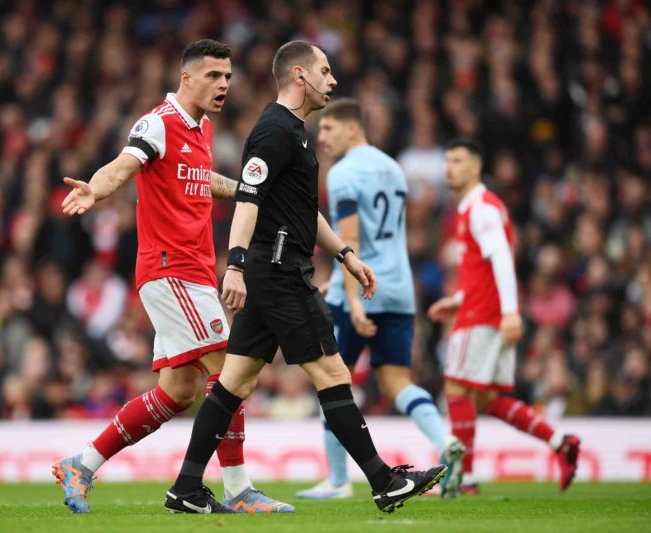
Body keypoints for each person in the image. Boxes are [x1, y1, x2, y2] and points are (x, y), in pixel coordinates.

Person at [163, 40, 446, 516]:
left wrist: (347, 256)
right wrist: (233, 263)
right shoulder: (274, 132)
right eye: (326, 70)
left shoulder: (293, 134)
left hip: (272, 267)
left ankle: (186, 487)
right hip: (277, 269)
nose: (333, 81)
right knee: (333, 372)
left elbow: (301, 211)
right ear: (299, 76)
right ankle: (383, 481)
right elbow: (249, 200)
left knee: (234, 381)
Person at [53, 39, 292, 514]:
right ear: (187, 78)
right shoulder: (158, 123)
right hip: (171, 269)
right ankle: (239, 490)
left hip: (194, 271)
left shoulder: (201, 130)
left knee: (179, 391)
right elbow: (123, 166)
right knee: (232, 368)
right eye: (213, 76)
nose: (224, 84)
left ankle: (82, 462)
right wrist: (94, 191)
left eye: (227, 76)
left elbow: (205, 184)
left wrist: (250, 191)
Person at [295, 98, 465, 501]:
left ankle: (337, 480)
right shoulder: (394, 168)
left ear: (352, 128)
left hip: (361, 284)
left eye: (329, 129)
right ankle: (444, 441)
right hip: (399, 287)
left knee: (330, 379)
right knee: (396, 380)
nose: (322, 137)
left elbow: (350, 241)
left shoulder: (342, 174)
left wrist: (350, 299)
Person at [428, 138, 581, 494]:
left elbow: (501, 260)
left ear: (476, 167)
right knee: (485, 400)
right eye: (447, 160)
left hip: (483, 317)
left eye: (458, 161)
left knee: (455, 387)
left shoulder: (480, 208)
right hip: (483, 310)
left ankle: (463, 477)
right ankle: (561, 441)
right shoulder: (474, 208)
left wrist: (511, 313)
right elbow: (484, 270)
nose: (449, 167)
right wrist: (457, 298)